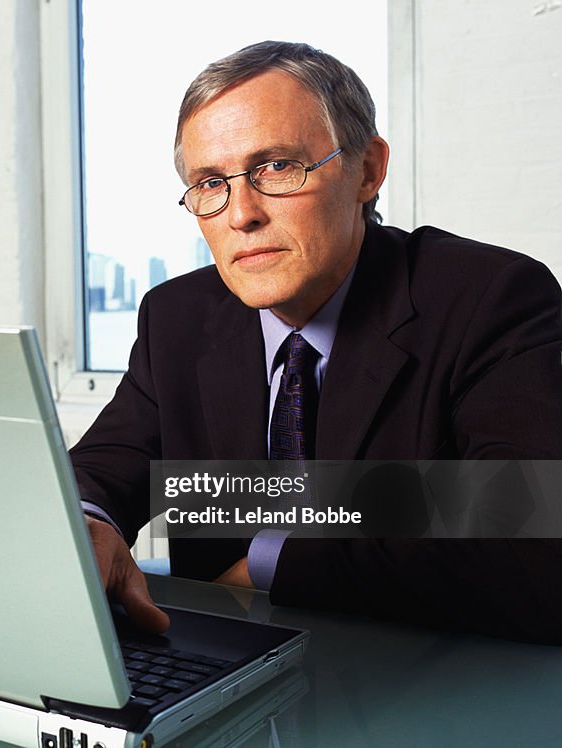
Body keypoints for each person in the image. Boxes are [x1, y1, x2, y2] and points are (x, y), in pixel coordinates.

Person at [70, 40, 562, 643]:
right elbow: (103, 469)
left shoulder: (489, 299)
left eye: (275, 166)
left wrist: (270, 561)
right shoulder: (176, 316)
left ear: (368, 170)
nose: (240, 214)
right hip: (222, 684)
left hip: (422, 683)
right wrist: (87, 523)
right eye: (209, 183)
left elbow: (535, 546)